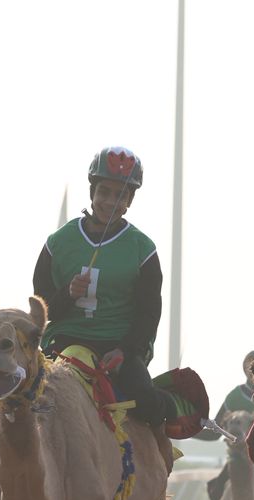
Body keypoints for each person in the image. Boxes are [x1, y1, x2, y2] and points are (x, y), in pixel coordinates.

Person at [33, 146, 166, 425]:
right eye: (104, 192)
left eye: (120, 196)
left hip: (118, 345)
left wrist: (126, 350)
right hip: (64, 340)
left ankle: (159, 455)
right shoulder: (57, 243)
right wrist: (67, 295)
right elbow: (41, 310)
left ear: (129, 200)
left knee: (147, 401)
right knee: (27, 395)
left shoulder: (144, 250)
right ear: (92, 191)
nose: (110, 202)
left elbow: (148, 314)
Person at [204, 349, 254, 500]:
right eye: (252, 366)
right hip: (239, 456)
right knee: (216, 492)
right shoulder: (235, 396)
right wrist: (184, 429)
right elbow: (215, 431)